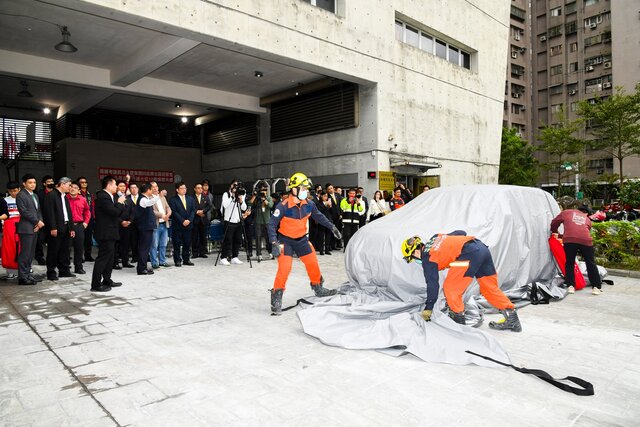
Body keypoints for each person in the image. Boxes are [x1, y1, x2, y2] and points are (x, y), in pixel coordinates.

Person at [401, 231, 522, 332]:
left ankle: (458, 322)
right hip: (481, 248)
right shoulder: (435, 237)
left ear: (416, 252)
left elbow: (432, 285)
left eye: (412, 258)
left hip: (468, 255)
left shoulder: (428, 259)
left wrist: (429, 308)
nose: (414, 260)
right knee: (489, 289)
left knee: (450, 289)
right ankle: (512, 318)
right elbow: (461, 232)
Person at [268, 172, 342, 315]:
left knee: (312, 262)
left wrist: (332, 227)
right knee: (285, 268)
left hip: (302, 240)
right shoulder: (282, 206)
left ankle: (318, 287)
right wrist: (274, 242)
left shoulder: (309, 204)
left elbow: (319, 217)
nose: (305, 192)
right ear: (294, 189)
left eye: (306, 189)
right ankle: (276, 295)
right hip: (285, 241)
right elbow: (271, 224)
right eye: (303, 189)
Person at [550, 197, 602, 295]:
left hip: (569, 240)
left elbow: (554, 222)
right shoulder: (587, 219)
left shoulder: (566, 212)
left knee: (569, 262)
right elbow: (581, 232)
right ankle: (596, 287)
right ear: (586, 213)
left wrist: (554, 231)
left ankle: (571, 286)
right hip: (586, 241)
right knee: (590, 263)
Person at [91, 176, 126, 292]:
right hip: (105, 232)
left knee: (110, 258)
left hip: (111, 232)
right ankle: (95, 284)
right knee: (103, 258)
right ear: (109, 185)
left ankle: (107, 279)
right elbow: (114, 212)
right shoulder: (103, 197)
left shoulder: (110, 196)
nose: (116, 187)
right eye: (115, 184)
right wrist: (120, 203)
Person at [43, 177, 75, 281]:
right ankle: (51, 272)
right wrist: (53, 227)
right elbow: (49, 213)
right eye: (69, 185)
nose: (70, 188)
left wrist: (71, 228)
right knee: (53, 250)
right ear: (62, 184)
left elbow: (68, 213)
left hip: (66, 226)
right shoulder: (51, 195)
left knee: (65, 250)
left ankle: (64, 271)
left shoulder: (65, 196)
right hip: (56, 227)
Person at [16, 174, 45, 286]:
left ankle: (28, 275)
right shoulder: (21, 195)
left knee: (31, 254)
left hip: (34, 228)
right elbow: (24, 212)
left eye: (34, 182)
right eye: (30, 182)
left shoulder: (35, 196)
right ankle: (22, 278)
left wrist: (39, 223)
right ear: (24, 184)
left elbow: (38, 211)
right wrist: (37, 221)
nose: (33, 184)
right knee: (25, 254)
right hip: (26, 228)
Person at [168, 181, 196, 267]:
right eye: (182, 188)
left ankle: (186, 259)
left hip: (188, 225)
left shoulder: (190, 198)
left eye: (185, 188)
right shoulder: (173, 200)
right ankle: (177, 260)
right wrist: (182, 221)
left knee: (187, 243)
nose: (184, 190)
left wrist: (189, 220)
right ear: (177, 190)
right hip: (178, 225)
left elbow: (193, 210)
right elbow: (174, 212)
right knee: (176, 244)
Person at [135, 183, 160, 275]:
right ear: (148, 190)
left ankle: (143, 266)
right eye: (151, 189)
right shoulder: (142, 199)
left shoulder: (145, 198)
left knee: (145, 248)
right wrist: (158, 196)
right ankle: (141, 269)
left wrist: (155, 195)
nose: (152, 191)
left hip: (147, 227)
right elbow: (150, 203)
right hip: (144, 227)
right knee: (143, 248)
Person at [219, 180, 246, 266]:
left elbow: (244, 208)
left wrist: (241, 200)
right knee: (228, 240)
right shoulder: (226, 194)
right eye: (234, 185)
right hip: (229, 220)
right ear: (231, 186)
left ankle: (234, 256)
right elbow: (225, 205)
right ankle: (223, 257)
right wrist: (232, 196)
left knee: (237, 240)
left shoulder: (241, 194)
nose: (236, 187)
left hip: (238, 220)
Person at [66, 181, 91, 274]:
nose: (73, 189)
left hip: (79, 226)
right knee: (66, 247)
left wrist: (86, 222)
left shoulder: (82, 199)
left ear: (79, 190)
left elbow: (87, 211)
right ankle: (65, 268)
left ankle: (78, 267)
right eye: (71, 187)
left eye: (75, 188)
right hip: (67, 226)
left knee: (79, 247)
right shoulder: (64, 199)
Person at [1, 182, 22, 280]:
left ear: (19, 189)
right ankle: (10, 271)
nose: (13, 193)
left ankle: (23, 269)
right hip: (9, 226)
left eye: (15, 190)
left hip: (22, 225)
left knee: (22, 247)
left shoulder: (23, 199)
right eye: (11, 191)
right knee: (9, 248)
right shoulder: (5, 200)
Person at [150, 182, 171, 269]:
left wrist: (168, 214)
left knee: (163, 244)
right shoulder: (149, 198)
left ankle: (162, 261)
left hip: (164, 223)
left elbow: (167, 207)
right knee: (154, 245)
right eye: (153, 187)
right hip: (156, 224)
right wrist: (162, 215)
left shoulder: (162, 197)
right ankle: (154, 263)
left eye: (156, 186)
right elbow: (152, 211)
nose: (155, 188)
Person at [34, 175, 54, 265]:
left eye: (52, 181)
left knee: (53, 240)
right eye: (49, 182)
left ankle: (54, 258)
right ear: (44, 184)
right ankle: (39, 257)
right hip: (42, 220)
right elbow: (38, 208)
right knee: (40, 240)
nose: (51, 183)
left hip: (53, 221)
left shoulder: (56, 192)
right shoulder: (40, 194)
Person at [251, 183, 274, 261]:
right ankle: (258, 254)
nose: (264, 191)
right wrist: (256, 196)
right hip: (258, 221)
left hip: (267, 221)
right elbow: (250, 204)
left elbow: (270, 206)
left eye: (265, 189)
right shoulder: (257, 198)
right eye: (263, 189)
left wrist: (264, 199)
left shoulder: (269, 198)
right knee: (258, 238)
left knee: (268, 237)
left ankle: (270, 252)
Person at [115, 180, 135, 269]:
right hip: (117, 225)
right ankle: (115, 262)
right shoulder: (114, 198)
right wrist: (121, 221)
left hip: (127, 224)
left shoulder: (128, 198)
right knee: (116, 244)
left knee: (126, 244)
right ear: (117, 187)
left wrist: (129, 221)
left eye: (124, 186)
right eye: (120, 186)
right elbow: (113, 213)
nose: (123, 188)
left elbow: (132, 212)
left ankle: (125, 261)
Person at [77, 176, 95, 261]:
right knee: (80, 239)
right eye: (82, 182)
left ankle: (88, 255)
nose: (84, 183)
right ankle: (80, 257)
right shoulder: (77, 193)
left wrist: (94, 216)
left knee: (88, 238)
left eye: (85, 182)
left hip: (89, 218)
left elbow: (92, 206)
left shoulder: (89, 194)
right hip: (80, 218)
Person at [192, 182, 211, 258]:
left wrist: (203, 211)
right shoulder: (191, 197)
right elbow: (191, 207)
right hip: (195, 219)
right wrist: (197, 212)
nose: (200, 189)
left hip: (203, 219)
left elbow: (209, 206)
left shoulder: (205, 196)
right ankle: (195, 253)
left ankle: (202, 252)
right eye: (198, 188)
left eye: (201, 188)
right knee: (195, 237)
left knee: (203, 236)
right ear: (195, 189)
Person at [313, 190, 332, 255]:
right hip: (322, 220)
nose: (326, 197)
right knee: (321, 235)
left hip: (328, 220)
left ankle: (327, 249)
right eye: (324, 196)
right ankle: (321, 250)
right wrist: (325, 205)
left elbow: (331, 212)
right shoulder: (318, 203)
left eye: (326, 196)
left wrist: (329, 206)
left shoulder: (329, 202)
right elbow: (319, 212)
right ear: (321, 196)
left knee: (328, 235)